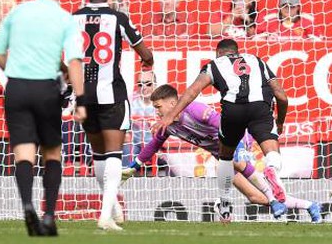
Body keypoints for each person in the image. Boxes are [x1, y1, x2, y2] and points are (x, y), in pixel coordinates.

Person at [123, 85, 321, 223]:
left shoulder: (194, 109)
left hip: (238, 140)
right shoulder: (167, 126)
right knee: (253, 196)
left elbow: (225, 125)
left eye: (158, 107)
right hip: (225, 156)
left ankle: (263, 198)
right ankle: (310, 206)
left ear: (174, 103)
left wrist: (241, 147)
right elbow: (153, 147)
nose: (156, 112)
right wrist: (134, 167)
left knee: (228, 162)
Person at [0, 0, 86, 236]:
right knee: (52, 152)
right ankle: (49, 215)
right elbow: (74, 61)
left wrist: (19, 70)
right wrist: (81, 99)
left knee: (23, 153)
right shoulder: (65, 18)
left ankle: (26, 205)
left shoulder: (18, 12)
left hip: (17, 87)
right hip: (46, 88)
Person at [152, 39, 289, 222]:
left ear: (219, 54)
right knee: (272, 151)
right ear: (237, 51)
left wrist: (170, 116)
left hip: (233, 110)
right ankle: (271, 169)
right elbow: (281, 96)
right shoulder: (257, 60)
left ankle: (224, 203)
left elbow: (193, 91)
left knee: (225, 158)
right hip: (260, 109)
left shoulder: (214, 65)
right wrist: (279, 122)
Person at [73, 0, 154, 231]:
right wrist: (147, 61)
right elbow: (144, 52)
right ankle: (105, 216)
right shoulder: (118, 18)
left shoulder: (72, 19)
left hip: (84, 95)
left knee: (98, 154)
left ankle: (113, 208)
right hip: (112, 95)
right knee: (114, 155)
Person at [255, 0, 321, 42]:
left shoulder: (307, 21)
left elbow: (318, 42)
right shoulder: (269, 20)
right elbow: (256, 41)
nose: (288, 9)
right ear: (280, 7)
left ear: (298, 7)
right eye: (285, 6)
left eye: (292, 7)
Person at [125, 70, 157, 167]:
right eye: (140, 84)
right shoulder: (130, 101)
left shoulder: (162, 101)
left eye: (148, 84)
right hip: (136, 145)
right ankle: (124, 176)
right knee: (126, 146)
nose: (144, 88)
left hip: (157, 145)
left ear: (155, 85)